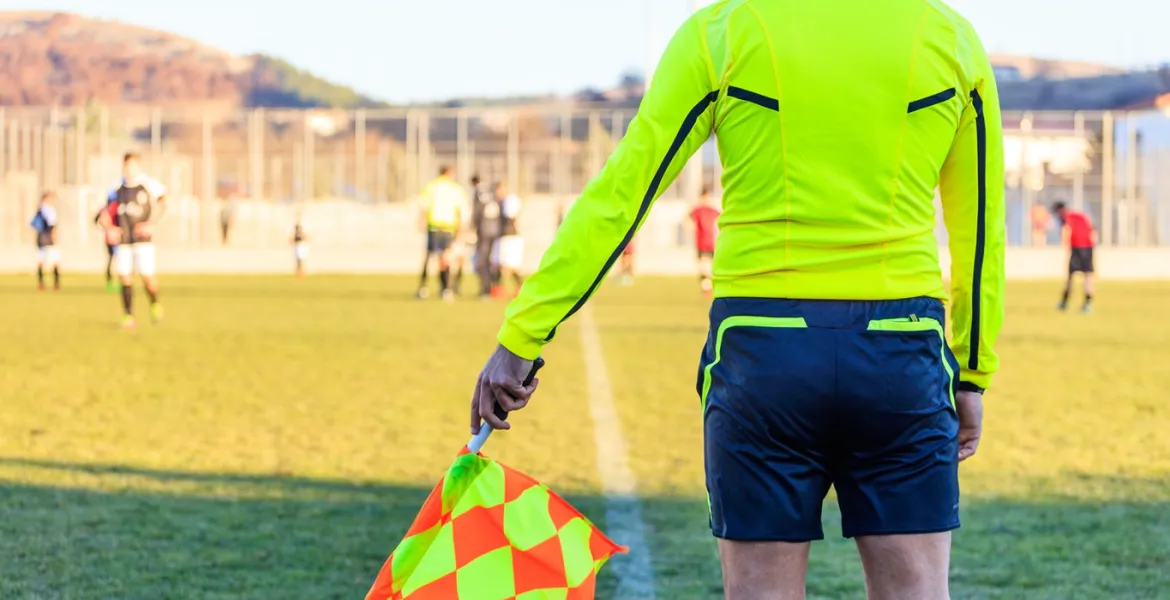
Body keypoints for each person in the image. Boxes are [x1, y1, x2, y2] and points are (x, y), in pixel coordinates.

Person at [468, 2, 1006, 599]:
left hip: (763, 353)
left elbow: (623, 194)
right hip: (901, 354)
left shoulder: (722, 32)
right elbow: (982, 232)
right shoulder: (950, 39)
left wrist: (523, 335)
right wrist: (973, 370)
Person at [99, 152, 167, 328]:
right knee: (125, 277)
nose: (129, 170)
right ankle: (129, 315)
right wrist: (110, 229)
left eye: (132, 166)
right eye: (126, 166)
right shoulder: (116, 188)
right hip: (124, 240)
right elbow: (105, 213)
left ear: (138, 166)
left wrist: (152, 224)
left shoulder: (148, 184)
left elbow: (164, 204)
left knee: (147, 278)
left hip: (142, 240)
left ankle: (154, 302)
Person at [416, 166, 468, 301]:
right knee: (445, 259)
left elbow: (424, 207)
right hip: (448, 228)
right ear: (449, 173)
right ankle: (446, 289)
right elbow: (461, 210)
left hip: (434, 226)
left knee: (429, 257)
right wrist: (461, 228)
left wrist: (421, 222)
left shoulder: (431, 186)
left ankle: (423, 288)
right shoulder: (456, 189)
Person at [1052, 202, 1096, 313]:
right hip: (1088, 247)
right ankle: (1088, 304)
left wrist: (1066, 245)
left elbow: (1066, 230)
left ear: (1059, 210)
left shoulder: (1066, 217)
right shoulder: (1080, 215)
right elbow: (1092, 230)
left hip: (1077, 247)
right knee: (1088, 275)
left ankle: (1064, 303)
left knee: (1070, 276)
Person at [469, 175, 502, 300]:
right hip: (495, 229)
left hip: (484, 230)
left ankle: (485, 290)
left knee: (482, 261)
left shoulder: (479, 192)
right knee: (490, 260)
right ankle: (492, 287)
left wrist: (472, 227)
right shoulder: (491, 190)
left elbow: (477, 211)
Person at [493, 181, 525, 297]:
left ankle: (521, 286)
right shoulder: (500, 201)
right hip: (503, 237)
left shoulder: (510, 200)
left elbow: (511, 218)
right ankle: (498, 288)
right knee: (497, 263)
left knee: (509, 266)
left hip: (510, 237)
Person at [688, 186, 721, 295]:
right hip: (701, 241)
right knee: (703, 265)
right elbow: (688, 218)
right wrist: (690, 228)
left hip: (711, 242)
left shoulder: (713, 210)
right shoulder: (698, 210)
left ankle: (708, 285)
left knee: (708, 265)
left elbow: (719, 221)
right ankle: (707, 286)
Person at [30, 191, 61, 291]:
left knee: (41, 260)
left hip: (40, 238)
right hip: (48, 238)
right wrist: (53, 235)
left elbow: (32, 223)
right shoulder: (49, 210)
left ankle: (41, 283)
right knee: (55, 261)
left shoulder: (39, 210)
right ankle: (56, 283)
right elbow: (52, 223)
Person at [93, 199, 119, 292]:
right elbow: (97, 220)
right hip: (114, 237)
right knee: (115, 259)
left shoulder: (105, 208)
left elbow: (96, 220)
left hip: (112, 236)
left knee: (113, 259)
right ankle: (113, 283)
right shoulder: (114, 206)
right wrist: (109, 228)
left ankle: (111, 283)